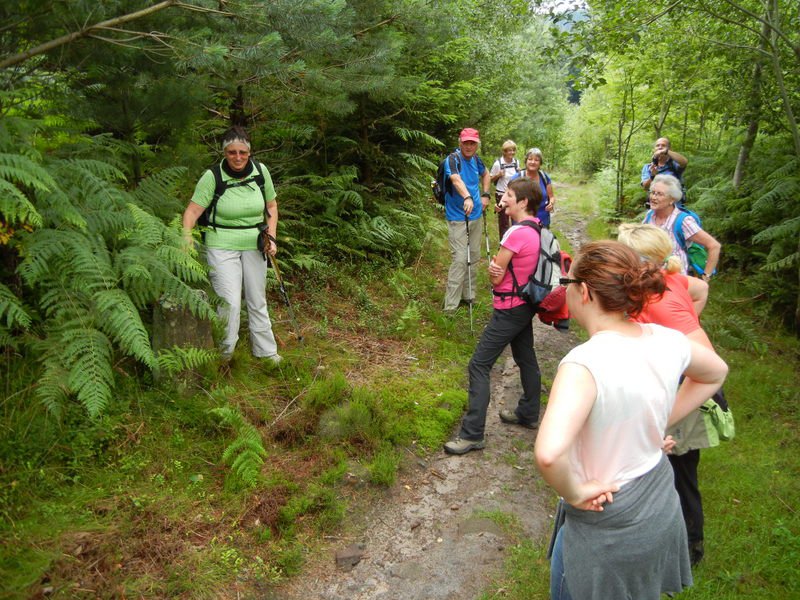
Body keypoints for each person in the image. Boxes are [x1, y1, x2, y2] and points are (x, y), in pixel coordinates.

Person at [534, 240, 728, 600]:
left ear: (585, 292)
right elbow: (716, 373)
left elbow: (549, 454)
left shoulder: (584, 363)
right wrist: (659, 421)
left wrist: (575, 493)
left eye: (566, 283)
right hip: (658, 505)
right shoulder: (668, 341)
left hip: (608, 522)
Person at [618, 222, 730, 566]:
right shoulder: (670, 281)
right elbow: (699, 291)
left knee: (678, 474)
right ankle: (661, 540)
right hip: (671, 386)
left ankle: (690, 549)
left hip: (689, 393)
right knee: (663, 469)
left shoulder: (662, 301)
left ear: (642, 262)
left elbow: (713, 365)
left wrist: (665, 418)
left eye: (624, 255)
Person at [444, 177, 543, 455]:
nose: (504, 198)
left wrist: (492, 272)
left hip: (509, 307)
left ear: (523, 202)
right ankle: (529, 413)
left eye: (510, 195)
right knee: (526, 357)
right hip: (526, 304)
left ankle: (472, 433)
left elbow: (496, 278)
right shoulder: (537, 228)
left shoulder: (514, 234)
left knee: (478, 365)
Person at [182, 126, 281, 363]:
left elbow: (272, 207)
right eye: (232, 152)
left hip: (256, 243)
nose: (238, 157)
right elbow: (192, 212)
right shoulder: (212, 176)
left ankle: (266, 353)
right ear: (224, 152)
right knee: (230, 303)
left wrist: (272, 237)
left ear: (249, 152)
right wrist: (186, 237)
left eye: (242, 153)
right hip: (220, 244)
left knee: (257, 299)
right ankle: (224, 355)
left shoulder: (260, 172)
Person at [442, 127, 492, 314]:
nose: (469, 146)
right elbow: (455, 179)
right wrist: (467, 197)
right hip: (457, 217)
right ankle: (450, 307)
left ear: (477, 144)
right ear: (460, 142)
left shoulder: (477, 160)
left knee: (474, 256)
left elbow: (486, 174)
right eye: (466, 142)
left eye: (472, 143)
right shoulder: (453, 160)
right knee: (460, 260)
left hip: (476, 215)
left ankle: (468, 296)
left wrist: (485, 194)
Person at [644, 174, 721, 279]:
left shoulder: (683, 221)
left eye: (660, 194)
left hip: (675, 281)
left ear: (672, 199)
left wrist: (706, 277)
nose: (653, 197)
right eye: (652, 193)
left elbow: (714, 245)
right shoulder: (649, 216)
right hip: (651, 279)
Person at [511, 147, 555, 228]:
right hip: (522, 222)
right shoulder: (517, 178)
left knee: (541, 241)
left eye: (536, 160)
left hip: (542, 222)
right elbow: (508, 197)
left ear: (540, 163)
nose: (533, 162)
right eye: (530, 159)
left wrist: (551, 203)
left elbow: (551, 197)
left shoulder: (544, 177)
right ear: (526, 161)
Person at [641, 136, 688, 201]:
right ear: (654, 149)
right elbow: (645, 187)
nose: (660, 147)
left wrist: (666, 151)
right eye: (657, 145)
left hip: (673, 204)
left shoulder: (674, 164)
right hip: (655, 203)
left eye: (663, 145)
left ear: (669, 149)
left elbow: (684, 162)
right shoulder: (648, 167)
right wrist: (652, 176)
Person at [489, 140, 519, 239]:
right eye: (509, 150)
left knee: (516, 220)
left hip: (515, 195)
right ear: (504, 151)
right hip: (501, 194)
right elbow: (489, 179)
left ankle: (516, 243)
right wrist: (498, 175)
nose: (511, 152)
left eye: (513, 150)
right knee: (504, 222)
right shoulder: (498, 164)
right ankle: (503, 244)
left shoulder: (516, 162)